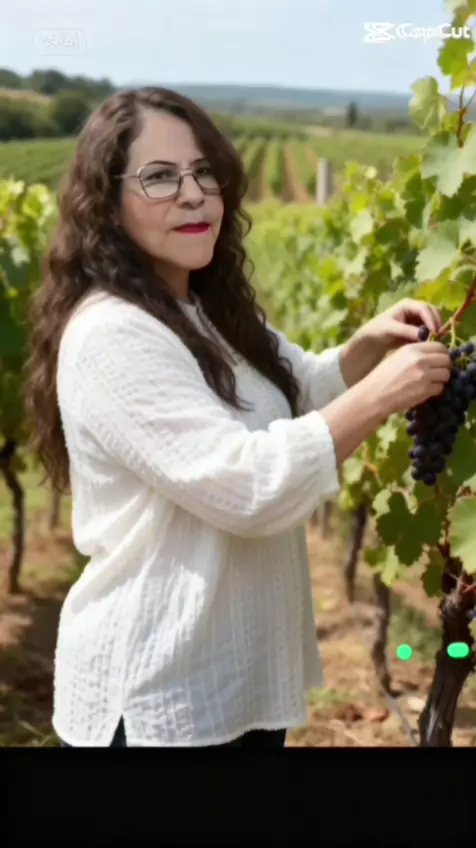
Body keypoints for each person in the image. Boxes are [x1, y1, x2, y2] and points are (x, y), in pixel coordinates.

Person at [26, 86, 451, 749]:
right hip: (162, 695)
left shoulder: (205, 310)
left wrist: (367, 347)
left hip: (232, 681)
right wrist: (381, 396)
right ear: (106, 204)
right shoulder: (113, 335)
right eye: (159, 177)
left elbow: (297, 389)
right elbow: (249, 486)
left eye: (204, 172)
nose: (193, 194)